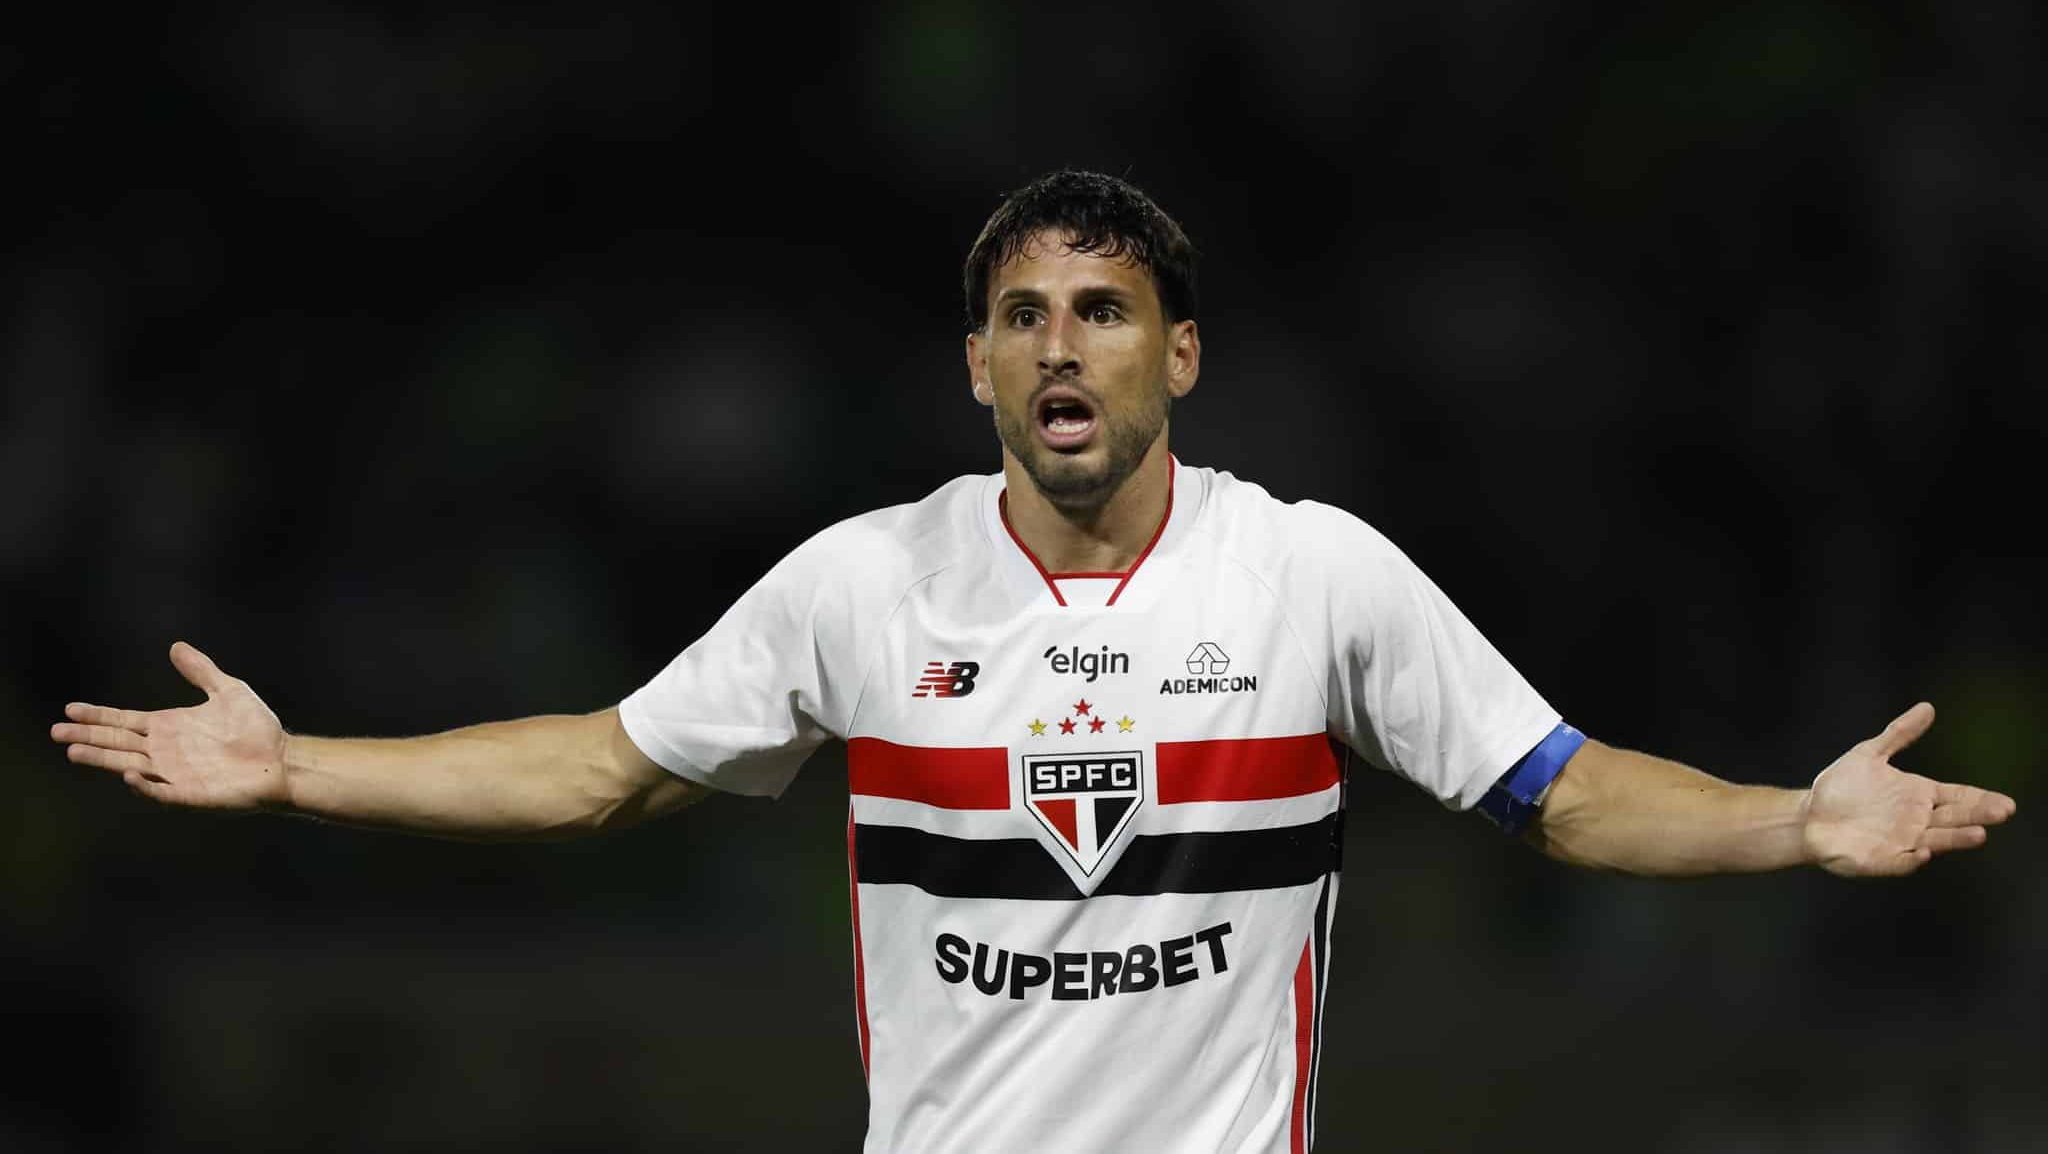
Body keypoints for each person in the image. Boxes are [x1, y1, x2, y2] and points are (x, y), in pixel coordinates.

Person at [50, 170, 2016, 1154]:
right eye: (1021, 314)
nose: (1060, 342)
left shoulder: (1311, 573)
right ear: (977, 366)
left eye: (1103, 307)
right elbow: (595, 766)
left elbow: (1560, 789)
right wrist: (298, 766)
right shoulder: (861, 584)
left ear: (1182, 353)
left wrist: (1794, 821)